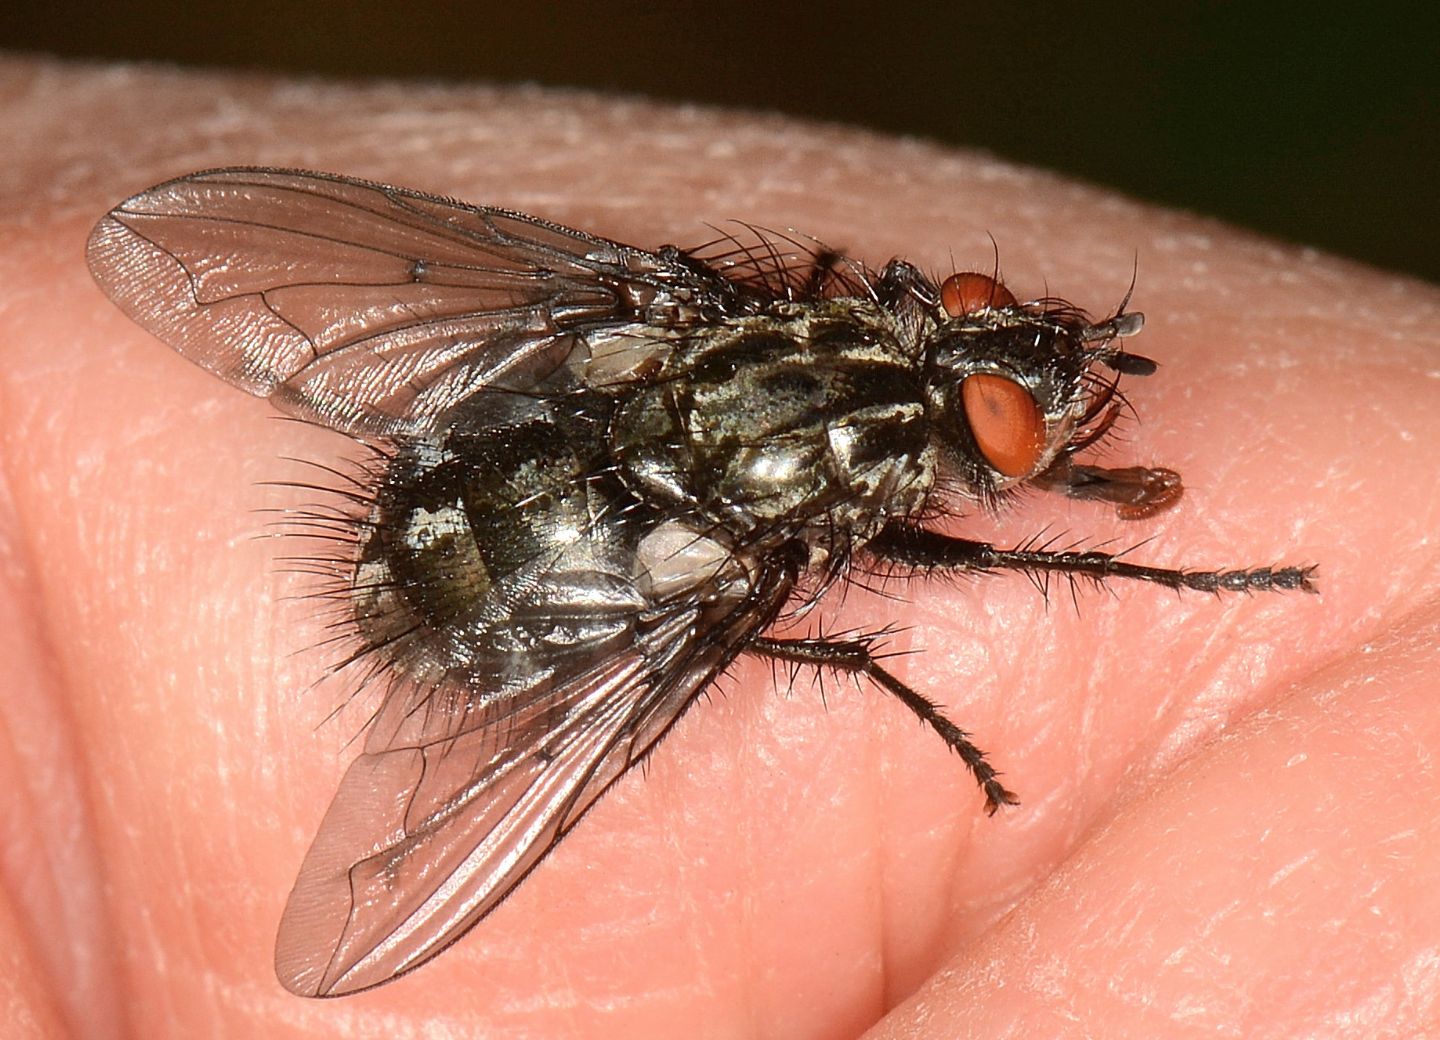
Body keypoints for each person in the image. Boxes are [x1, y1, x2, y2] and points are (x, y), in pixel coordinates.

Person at [2, 55, 1436, 1039]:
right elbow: (953, 565)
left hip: (503, 470)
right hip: (495, 571)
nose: (1003, 352)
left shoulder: (682, 308)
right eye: (1000, 391)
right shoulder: (771, 530)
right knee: (806, 603)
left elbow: (385, 274)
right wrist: (1153, 585)